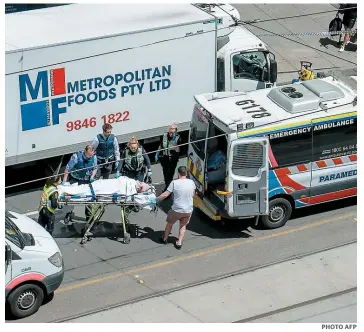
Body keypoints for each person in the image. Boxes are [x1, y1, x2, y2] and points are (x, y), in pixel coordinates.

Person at [156, 166, 196, 249]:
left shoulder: (174, 183)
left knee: (170, 224)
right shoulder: (191, 182)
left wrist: (156, 199)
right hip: (188, 210)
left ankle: (165, 238)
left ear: (178, 173)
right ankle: (179, 242)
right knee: (183, 225)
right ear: (186, 173)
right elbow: (193, 195)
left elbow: (165, 194)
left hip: (176, 209)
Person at [62, 145, 98, 221]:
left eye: (91, 155)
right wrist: (64, 181)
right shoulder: (76, 157)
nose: (90, 157)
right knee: (71, 198)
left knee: (89, 199)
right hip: (75, 179)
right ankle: (68, 214)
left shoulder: (93, 157)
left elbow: (95, 168)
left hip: (86, 179)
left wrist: (92, 176)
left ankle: (89, 217)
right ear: (85, 151)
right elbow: (67, 169)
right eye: (89, 155)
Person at [155, 123, 181, 191]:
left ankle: (167, 189)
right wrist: (157, 153)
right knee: (165, 174)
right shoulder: (164, 135)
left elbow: (178, 150)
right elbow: (161, 145)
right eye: (170, 129)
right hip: (165, 158)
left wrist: (175, 141)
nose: (171, 131)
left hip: (173, 159)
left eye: (173, 129)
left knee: (170, 175)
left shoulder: (178, 137)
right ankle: (169, 187)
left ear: (175, 131)